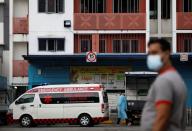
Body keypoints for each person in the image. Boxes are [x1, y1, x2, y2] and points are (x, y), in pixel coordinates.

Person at [141, 38, 187, 131]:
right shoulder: (177, 79)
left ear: (167, 53)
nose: (150, 57)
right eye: (149, 54)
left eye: (154, 53)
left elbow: (162, 117)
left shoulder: (164, 80)